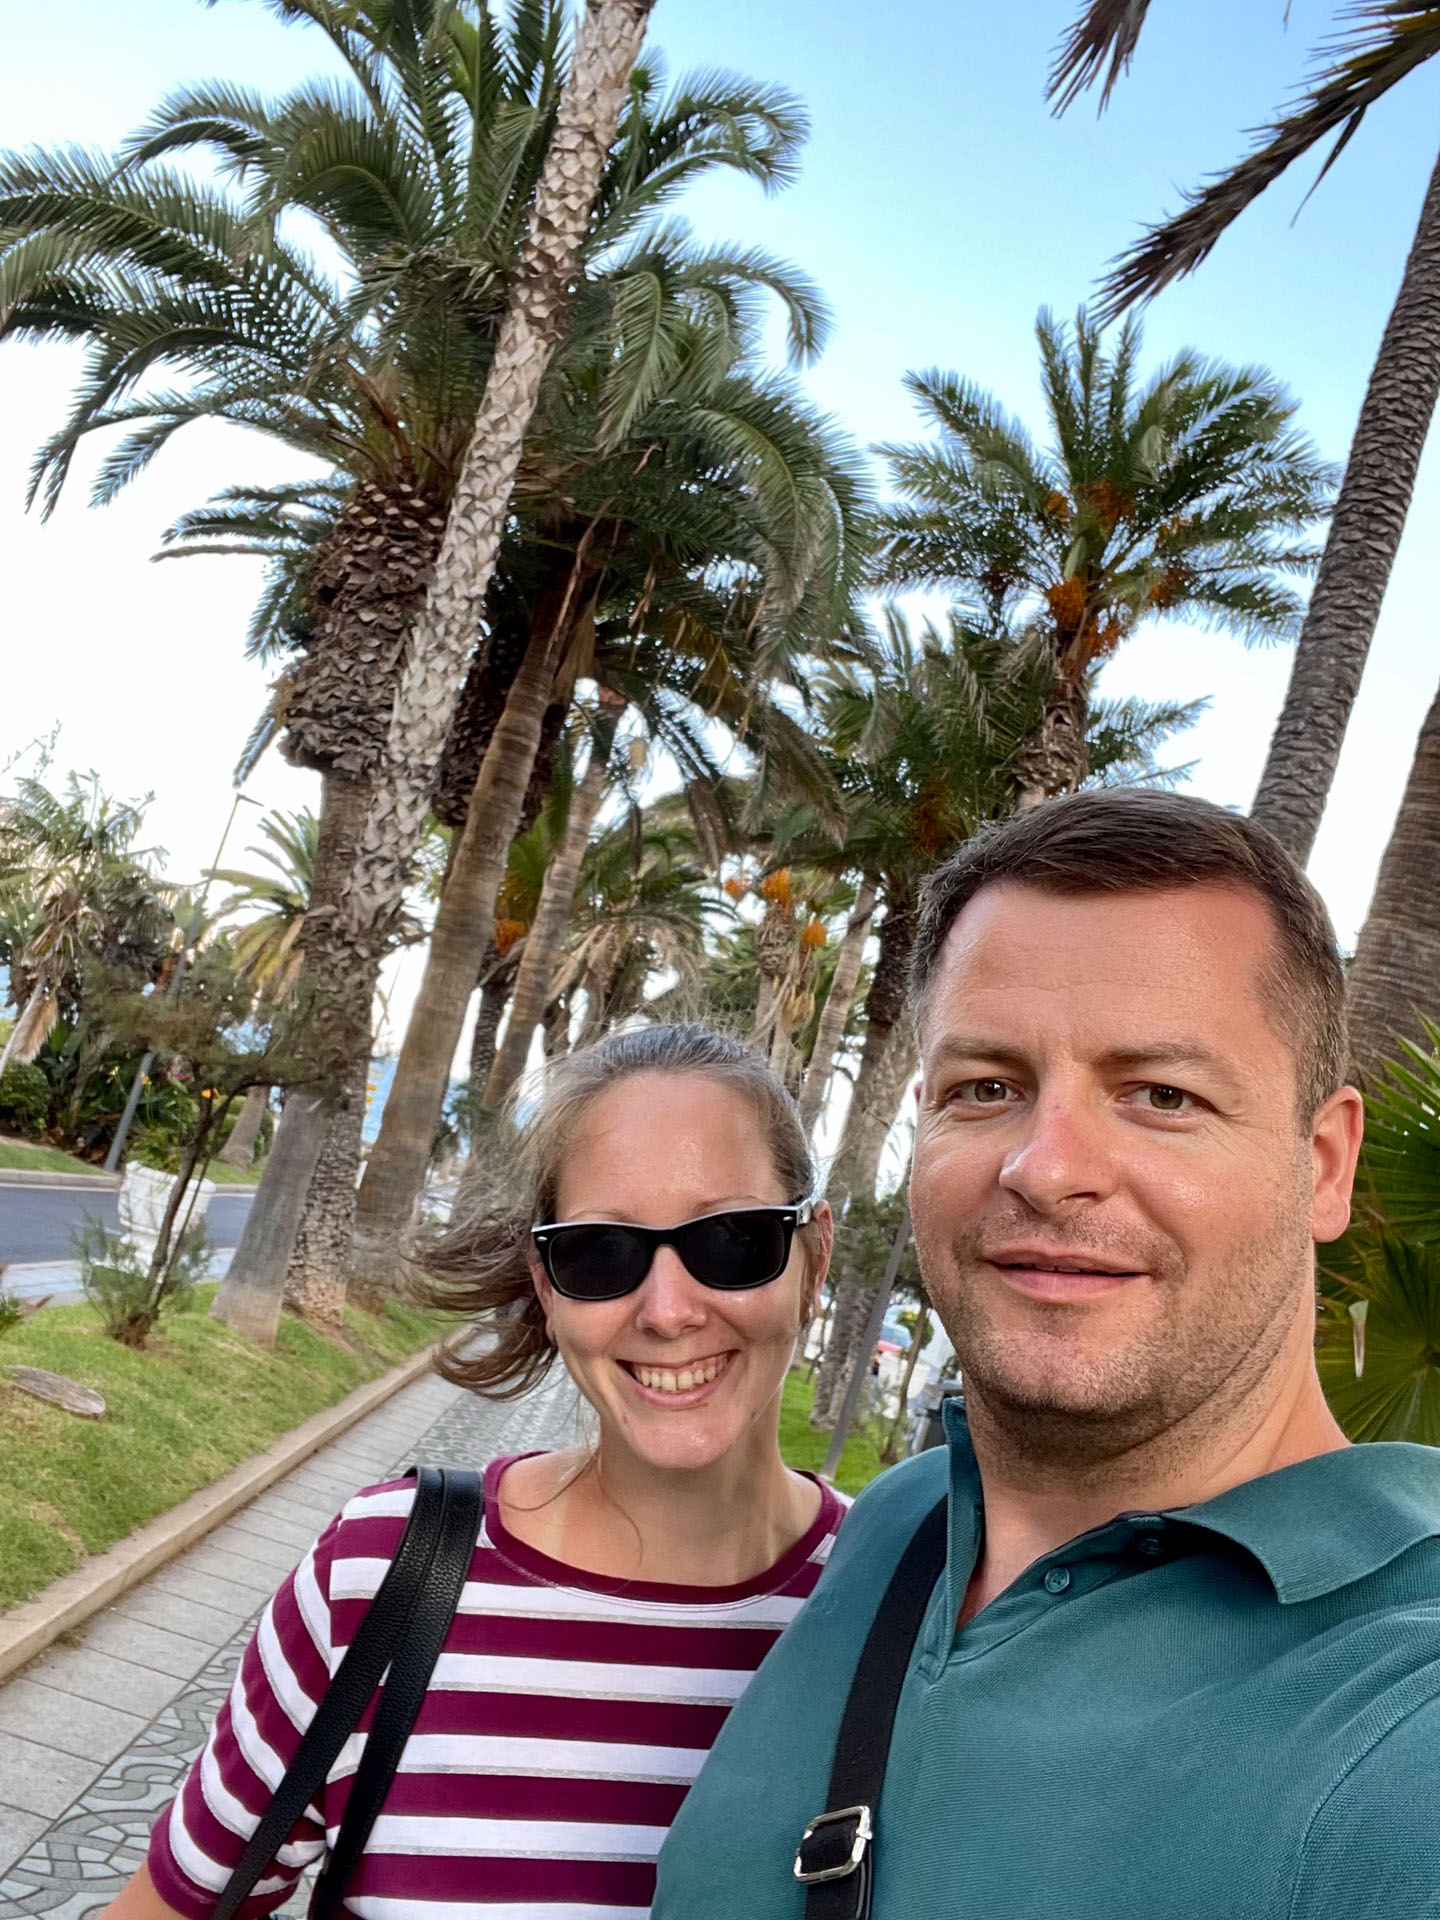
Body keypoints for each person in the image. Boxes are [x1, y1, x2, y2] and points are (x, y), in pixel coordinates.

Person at [654, 788, 1440, 1920]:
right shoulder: (902, 1522)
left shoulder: (1400, 1714)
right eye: (986, 1088)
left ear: (1322, 1165)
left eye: (1162, 1095)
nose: (1045, 1167)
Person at [101, 1024, 844, 1920]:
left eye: (731, 1239)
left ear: (815, 1255)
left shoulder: (908, 1608)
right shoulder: (381, 1578)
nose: (668, 1310)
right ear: (545, 1282)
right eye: (600, 1252)